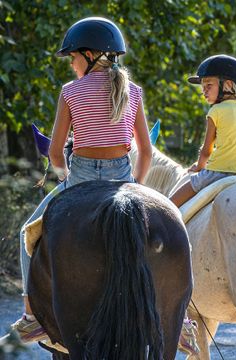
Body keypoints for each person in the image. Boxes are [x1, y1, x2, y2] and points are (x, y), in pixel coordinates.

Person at [11, 16, 152, 342]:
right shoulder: (133, 91)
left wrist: (63, 179)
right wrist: (137, 186)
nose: (72, 66)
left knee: (26, 234)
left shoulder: (71, 92)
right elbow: (145, 151)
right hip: (123, 180)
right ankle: (183, 318)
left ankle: (31, 316)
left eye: (73, 58)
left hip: (82, 179)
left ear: (89, 55)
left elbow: (57, 152)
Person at [170, 54, 236, 207]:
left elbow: (206, 150)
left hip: (217, 173)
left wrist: (198, 167)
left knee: (168, 204)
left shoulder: (216, 111)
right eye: (202, 87)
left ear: (227, 85)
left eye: (208, 85)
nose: (204, 91)